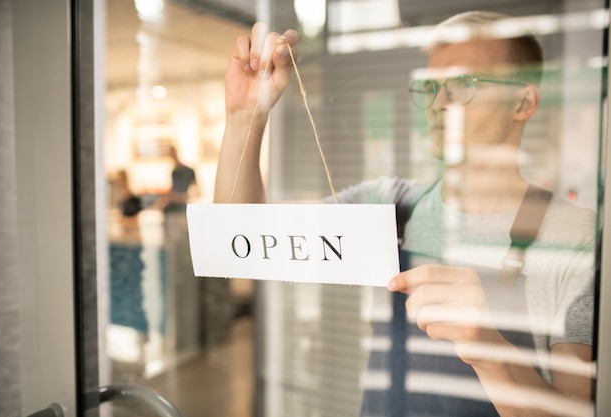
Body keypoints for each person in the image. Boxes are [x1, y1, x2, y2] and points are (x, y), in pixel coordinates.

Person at [214, 12, 596, 417]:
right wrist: (244, 117)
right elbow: (239, 244)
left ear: (524, 102)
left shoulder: (574, 236)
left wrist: (490, 350)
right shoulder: (389, 205)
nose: (437, 104)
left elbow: (575, 410)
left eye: (463, 85)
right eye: (430, 87)